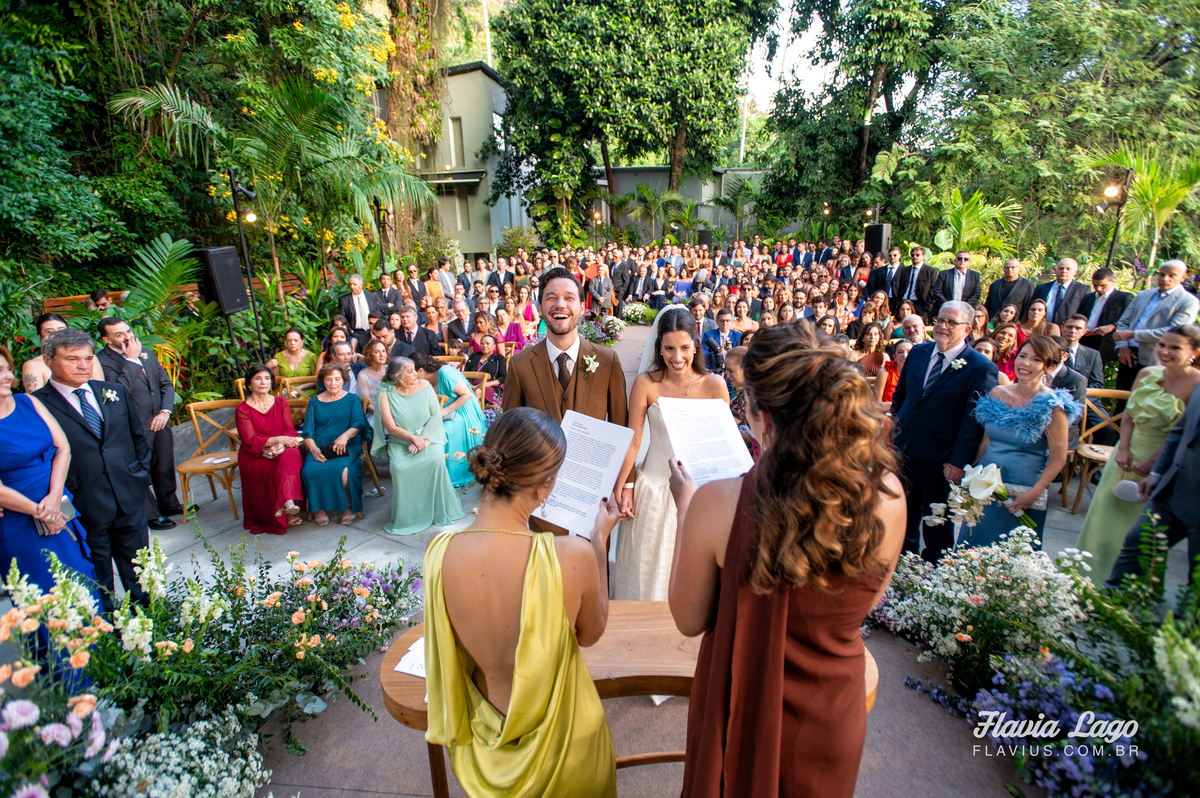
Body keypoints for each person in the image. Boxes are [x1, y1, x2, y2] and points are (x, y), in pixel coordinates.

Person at [668, 323, 905, 797]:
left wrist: (687, 507)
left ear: (762, 417)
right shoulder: (889, 494)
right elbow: (866, 604)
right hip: (830, 711)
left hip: (740, 707)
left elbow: (689, 619)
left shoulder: (719, 502)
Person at [424, 409, 618, 797]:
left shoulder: (438, 552)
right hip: (567, 747)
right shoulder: (571, 554)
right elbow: (591, 633)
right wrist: (599, 543)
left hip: (485, 753)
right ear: (544, 486)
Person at [612, 309, 729, 601]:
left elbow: (723, 446)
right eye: (669, 349)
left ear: (695, 345)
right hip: (652, 490)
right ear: (659, 348)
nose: (677, 357)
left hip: (699, 494)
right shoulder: (646, 384)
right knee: (644, 576)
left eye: (684, 348)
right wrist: (623, 487)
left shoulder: (715, 385)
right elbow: (633, 440)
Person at [34, 330, 152, 612]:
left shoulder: (114, 392)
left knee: (142, 575)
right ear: (48, 360)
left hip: (129, 498)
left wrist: (139, 476)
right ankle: (110, 634)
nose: (83, 365)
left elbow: (137, 438)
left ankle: (152, 625)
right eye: (72, 359)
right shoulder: (36, 404)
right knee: (99, 582)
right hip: (84, 504)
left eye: (87, 358)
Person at [1076, 325, 1199, 585]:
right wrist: (1122, 449)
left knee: (1138, 532)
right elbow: (1130, 413)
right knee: (1102, 518)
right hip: (1125, 454)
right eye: (1162, 345)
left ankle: (1126, 588)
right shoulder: (1146, 373)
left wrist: (1153, 463)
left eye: (1175, 347)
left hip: (1161, 463)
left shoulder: (1196, 384)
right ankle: (1085, 579)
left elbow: (1184, 434)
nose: (1164, 351)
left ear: (1194, 352)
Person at [890, 300, 1000, 562]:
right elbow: (902, 397)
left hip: (942, 458)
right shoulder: (918, 353)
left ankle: (932, 570)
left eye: (952, 322)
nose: (942, 326)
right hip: (905, 450)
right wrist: (895, 435)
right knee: (903, 514)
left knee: (936, 520)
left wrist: (958, 462)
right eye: (940, 320)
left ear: (968, 329)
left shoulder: (981, 368)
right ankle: (902, 566)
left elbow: (973, 420)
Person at [0, 345, 100, 611]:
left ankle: (99, 650)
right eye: (0, 371)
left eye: (8, 369)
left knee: (80, 582)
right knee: (46, 597)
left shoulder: (28, 401)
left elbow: (63, 447)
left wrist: (55, 499)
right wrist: (42, 512)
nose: (9, 376)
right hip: (18, 519)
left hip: (58, 503)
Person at [964, 337, 1081, 549]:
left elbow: (1058, 458)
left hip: (1025, 488)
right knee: (974, 544)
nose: (1025, 364)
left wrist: (1033, 493)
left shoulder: (1053, 406)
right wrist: (970, 473)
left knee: (1014, 551)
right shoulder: (998, 393)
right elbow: (986, 440)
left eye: (1036, 359)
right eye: (1023, 356)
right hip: (986, 484)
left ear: (1050, 366)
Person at [1103, 360, 1200, 589]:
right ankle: (1109, 602)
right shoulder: (1152, 375)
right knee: (1137, 543)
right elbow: (1180, 432)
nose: (1166, 352)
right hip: (1168, 484)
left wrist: (1153, 464)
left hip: (1191, 491)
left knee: (1194, 579)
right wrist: (1158, 471)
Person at [502, 267, 628, 426]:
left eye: (569, 298)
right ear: (540, 307)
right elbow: (510, 433)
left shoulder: (608, 362)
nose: (560, 305)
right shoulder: (519, 365)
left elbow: (620, 431)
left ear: (582, 308)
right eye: (551, 298)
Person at [96, 317, 184, 530]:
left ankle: (169, 504)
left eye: (127, 330)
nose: (128, 336)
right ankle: (151, 515)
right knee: (139, 472)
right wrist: (132, 361)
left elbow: (165, 384)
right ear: (107, 340)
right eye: (119, 335)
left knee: (164, 464)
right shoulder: (101, 361)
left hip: (159, 419)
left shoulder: (147, 352)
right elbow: (116, 391)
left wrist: (165, 411)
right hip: (131, 426)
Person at [371, 356, 464, 535]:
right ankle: (409, 515)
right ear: (398, 377)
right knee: (399, 467)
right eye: (411, 371)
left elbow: (435, 416)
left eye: (414, 369)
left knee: (436, 460)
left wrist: (423, 439)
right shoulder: (385, 392)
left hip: (429, 436)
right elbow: (390, 426)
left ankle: (437, 510)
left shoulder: (424, 386)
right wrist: (412, 438)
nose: (416, 373)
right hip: (401, 441)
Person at [235, 365, 305, 534]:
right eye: (258, 379)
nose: (263, 382)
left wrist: (281, 444)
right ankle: (288, 507)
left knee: (292, 454)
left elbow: (289, 430)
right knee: (273, 466)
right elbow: (250, 440)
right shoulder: (242, 410)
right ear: (249, 384)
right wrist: (278, 440)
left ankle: (287, 503)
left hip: (280, 449)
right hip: (255, 454)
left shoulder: (281, 402)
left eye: (267, 378)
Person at [1112, 260, 1200, 392]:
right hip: (1129, 355)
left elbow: (1175, 332)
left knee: (1146, 401)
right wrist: (1123, 346)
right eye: (1162, 274)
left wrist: (1134, 335)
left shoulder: (1188, 301)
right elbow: (1123, 322)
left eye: (1171, 275)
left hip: (1157, 358)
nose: (1165, 278)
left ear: (1183, 277)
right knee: (1122, 397)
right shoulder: (1143, 294)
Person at [301, 363, 371, 526]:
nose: (333, 383)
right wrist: (314, 449)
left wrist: (345, 436)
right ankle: (318, 508)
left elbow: (359, 423)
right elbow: (308, 432)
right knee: (308, 471)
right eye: (328, 379)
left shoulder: (352, 399)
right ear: (323, 381)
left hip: (347, 445)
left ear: (343, 380)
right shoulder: (314, 402)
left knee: (343, 472)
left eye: (337, 379)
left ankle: (348, 506)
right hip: (320, 447)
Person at [414, 354, 486, 488]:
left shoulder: (445, 373)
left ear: (419, 370)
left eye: (411, 372)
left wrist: (446, 411)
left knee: (446, 430)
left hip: (463, 411)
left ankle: (452, 473)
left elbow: (467, 394)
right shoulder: (423, 381)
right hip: (445, 411)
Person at [21, 313, 103, 392]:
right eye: (49, 332)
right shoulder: (33, 365)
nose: (57, 335)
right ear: (39, 335)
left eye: (61, 330)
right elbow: (35, 400)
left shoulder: (90, 358)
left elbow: (101, 390)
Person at [1078, 267, 1133, 366]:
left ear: (1113, 281)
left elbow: (1131, 319)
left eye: (1103, 285)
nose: (1098, 289)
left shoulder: (1123, 298)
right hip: (1086, 340)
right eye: (1095, 285)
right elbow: (1079, 316)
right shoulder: (1088, 298)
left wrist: (1112, 326)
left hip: (1106, 344)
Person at [1033, 258, 1089, 328]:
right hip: (1041, 329)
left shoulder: (1083, 290)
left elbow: (1084, 313)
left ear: (1075, 272)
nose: (1064, 271)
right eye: (1061, 268)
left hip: (1066, 331)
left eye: (1068, 269)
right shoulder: (1042, 288)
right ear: (1056, 270)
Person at [267, 328, 319, 395]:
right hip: (285, 391)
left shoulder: (311, 357)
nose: (292, 343)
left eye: (296, 340)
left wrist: (300, 387)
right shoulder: (279, 356)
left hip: (306, 390)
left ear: (302, 341)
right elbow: (276, 379)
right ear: (285, 342)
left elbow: (316, 379)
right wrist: (268, 367)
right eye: (289, 340)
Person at [354, 338, 391, 429]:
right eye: (377, 352)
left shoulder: (390, 370)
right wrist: (382, 415)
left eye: (383, 351)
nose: (382, 355)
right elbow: (367, 403)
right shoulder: (363, 375)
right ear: (370, 355)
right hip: (375, 412)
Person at [339, 274, 382, 349]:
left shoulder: (371, 296)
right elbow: (342, 318)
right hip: (354, 333)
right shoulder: (344, 300)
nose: (352, 286)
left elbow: (377, 313)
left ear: (361, 285)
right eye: (350, 284)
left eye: (354, 284)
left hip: (371, 332)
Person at [466, 334, 507, 406]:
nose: (484, 346)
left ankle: (476, 416)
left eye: (487, 343)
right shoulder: (474, 356)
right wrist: (470, 385)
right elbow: (465, 374)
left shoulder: (499, 358)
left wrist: (486, 384)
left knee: (477, 392)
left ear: (494, 346)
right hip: (472, 386)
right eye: (482, 343)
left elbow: (503, 377)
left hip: (491, 388)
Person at [875, 339, 912, 407]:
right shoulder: (885, 372)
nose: (904, 355)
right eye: (900, 352)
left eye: (909, 352)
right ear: (894, 356)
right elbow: (877, 402)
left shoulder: (918, 372)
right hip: (888, 412)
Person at [702, 308, 741, 373]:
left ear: (732, 322)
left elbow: (740, 357)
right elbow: (703, 355)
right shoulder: (708, 335)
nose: (725, 323)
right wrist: (718, 352)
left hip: (732, 372)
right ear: (717, 322)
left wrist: (731, 351)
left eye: (727, 321)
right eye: (722, 321)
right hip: (714, 372)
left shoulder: (738, 336)